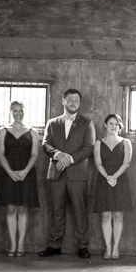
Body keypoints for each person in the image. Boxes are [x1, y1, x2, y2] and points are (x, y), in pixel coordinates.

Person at [40, 89, 96, 258]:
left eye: (76, 100)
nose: (73, 103)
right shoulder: (52, 122)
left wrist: (69, 159)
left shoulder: (87, 123)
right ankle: (54, 245)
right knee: (56, 210)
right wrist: (58, 156)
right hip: (56, 173)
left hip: (78, 174)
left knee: (80, 211)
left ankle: (82, 246)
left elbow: (89, 147)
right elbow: (46, 144)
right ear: (63, 101)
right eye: (70, 100)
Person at [0, 101, 40, 257]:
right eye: (15, 111)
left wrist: (26, 171)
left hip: (26, 174)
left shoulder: (32, 132)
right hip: (8, 174)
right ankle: (12, 244)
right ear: (10, 112)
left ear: (24, 111)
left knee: (23, 208)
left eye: (20, 110)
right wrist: (10, 172)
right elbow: (0, 154)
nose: (18, 113)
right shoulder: (3, 131)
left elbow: (35, 154)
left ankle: (21, 244)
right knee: (11, 208)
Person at [92, 113, 132, 260]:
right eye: (111, 124)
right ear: (105, 125)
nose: (113, 126)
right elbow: (98, 163)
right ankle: (108, 248)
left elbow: (126, 162)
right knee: (106, 215)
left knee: (118, 215)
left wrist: (114, 177)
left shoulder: (125, 142)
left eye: (116, 124)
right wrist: (107, 177)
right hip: (104, 180)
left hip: (120, 180)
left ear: (119, 126)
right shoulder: (98, 143)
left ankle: (116, 248)